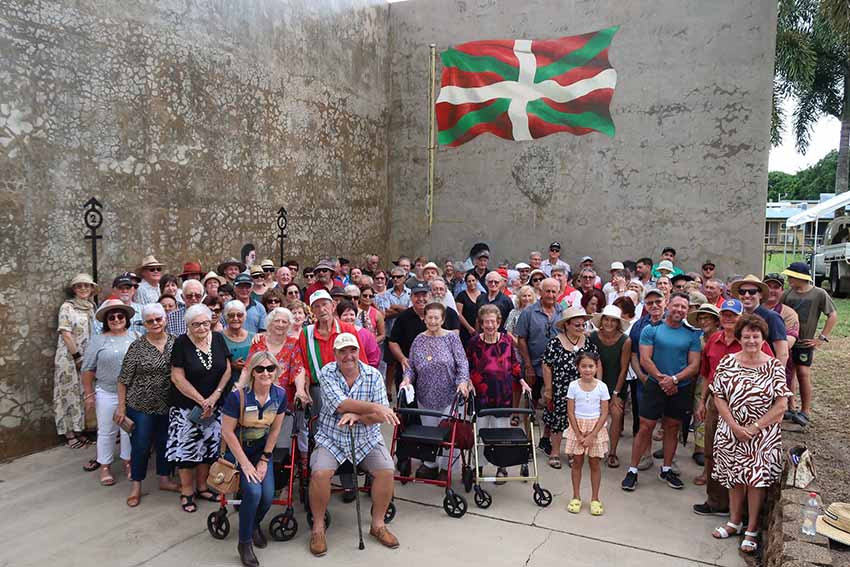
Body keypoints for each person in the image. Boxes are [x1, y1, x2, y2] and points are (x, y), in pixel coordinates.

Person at [308, 333, 401, 556]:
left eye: (352, 350)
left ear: (359, 351)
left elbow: (380, 418)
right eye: (342, 351)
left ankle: (378, 525)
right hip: (332, 437)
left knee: (387, 470)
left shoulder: (374, 375)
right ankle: (318, 528)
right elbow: (340, 405)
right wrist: (375, 408)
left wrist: (359, 416)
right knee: (320, 473)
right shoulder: (327, 372)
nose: (348, 356)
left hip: (367, 436)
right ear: (335, 354)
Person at [709, 314, 791, 555]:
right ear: (740, 337)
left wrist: (754, 428)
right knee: (734, 477)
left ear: (763, 338)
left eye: (756, 336)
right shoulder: (727, 361)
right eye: (746, 336)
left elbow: (781, 405)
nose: (751, 340)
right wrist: (734, 426)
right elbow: (718, 396)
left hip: (762, 436)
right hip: (731, 431)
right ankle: (734, 521)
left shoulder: (774, 365)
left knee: (755, 481)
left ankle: (752, 528)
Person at [692, 299, 773, 517]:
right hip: (716, 403)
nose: (728, 318)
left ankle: (742, 512)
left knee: (742, 457)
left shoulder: (753, 341)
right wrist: (702, 401)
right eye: (724, 314)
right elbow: (708, 373)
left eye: (732, 315)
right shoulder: (714, 340)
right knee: (712, 453)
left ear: (740, 318)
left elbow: (771, 374)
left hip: (746, 407)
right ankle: (716, 502)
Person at [622, 292, 701, 492]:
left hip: (679, 387)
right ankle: (632, 470)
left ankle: (666, 469)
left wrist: (674, 380)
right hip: (655, 386)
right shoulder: (651, 330)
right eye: (676, 305)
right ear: (668, 306)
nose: (679, 310)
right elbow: (645, 360)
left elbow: (694, 365)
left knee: (672, 427)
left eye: (683, 307)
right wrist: (662, 379)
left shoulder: (692, 334)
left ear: (687, 310)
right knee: (646, 427)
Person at [221, 352, 287, 567]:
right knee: (253, 491)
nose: (265, 372)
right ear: (252, 372)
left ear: (276, 371)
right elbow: (227, 432)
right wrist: (246, 464)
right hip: (238, 450)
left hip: (261, 451)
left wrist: (264, 460)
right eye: (260, 368)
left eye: (270, 368)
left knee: (267, 496)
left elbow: (276, 429)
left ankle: (252, 524)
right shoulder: (237, 396)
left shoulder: (280, 394)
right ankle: (245, 542)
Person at [166, 304, 233, 513]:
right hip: (187, 408)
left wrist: (214, 397)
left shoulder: (219, 338)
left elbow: (228, 369)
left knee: (208, 448)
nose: (202, 328)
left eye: (205, 323)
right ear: (188, 325)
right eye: (196, 324)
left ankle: (203, 487)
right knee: (187, 452)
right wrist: (201, 400)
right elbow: (177, 377)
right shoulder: (181, 343)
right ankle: (187, 492)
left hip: (214, 405)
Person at [118, 303, 181, 506]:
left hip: (168, 404)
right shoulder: (137, 347)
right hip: (141, 405)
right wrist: (121, 408)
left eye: (158, 319)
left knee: (165, 442)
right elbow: (123, 379)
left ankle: (164, 478)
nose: (155, 323)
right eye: (150, 320)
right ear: (144, 323)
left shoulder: (176, 342)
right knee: (141, 445)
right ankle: (136, 485)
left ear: (165, 319)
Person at [399, 302, 471, 479]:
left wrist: (462, 382)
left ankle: (447, 468)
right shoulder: (419, 340)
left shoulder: (451, 338)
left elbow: (462, 363)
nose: (432, 321)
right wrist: (406, 379)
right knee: (429, 431)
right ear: (424, 319)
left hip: (450, 394)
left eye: (436, 317)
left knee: (448, 432)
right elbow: (411, 367)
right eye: (429, 317)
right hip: (426, 393)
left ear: (443, 319)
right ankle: (430, 464)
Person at [466, 305, 528, 479]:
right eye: (486, 322)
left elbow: (514, 364)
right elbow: (467, 365)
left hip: (503, 394)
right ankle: (478, 466)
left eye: (493, 321)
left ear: (499, 322)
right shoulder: (474, 342)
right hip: (481, 395)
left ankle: (502, 466)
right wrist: (468, 381)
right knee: (481, 431)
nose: (490, 325)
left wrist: (522, 380)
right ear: (481, 323)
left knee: (501, 432)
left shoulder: (506, 341)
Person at [80, 298, 136, 485]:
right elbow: (87, 368)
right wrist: (88, 394)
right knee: (106, 430)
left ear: (126, 318)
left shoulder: (135, 336)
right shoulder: (98, 340)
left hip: (132, 392)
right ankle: (105, 465)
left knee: (129, 430)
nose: (116, 319)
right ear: (106, 320)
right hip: (107, 391)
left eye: (120, 316)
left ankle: (129, 462)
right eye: (111, 317)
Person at [780, 262, 838, 427]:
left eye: (791, 276)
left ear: (800, 277)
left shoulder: (819, 293)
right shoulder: (787, 294)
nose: (789, 279)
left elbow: (832, 315)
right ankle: (790, 407)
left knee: (803, 374)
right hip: (788, 341)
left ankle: (806, 411)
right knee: (788, 373)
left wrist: (821, 338)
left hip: (805, 342)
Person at [542, 306, 597, 470]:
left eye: (583, 325)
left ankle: (573, 452)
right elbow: (546, 365)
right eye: (577, 325)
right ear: (567, 325)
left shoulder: (588, 342)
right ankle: (555, 452)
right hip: (560, 388)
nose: (581, 328)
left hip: (582, 389)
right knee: (558, 420)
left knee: (577, 421)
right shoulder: (555, 342)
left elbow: (596, 362)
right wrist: (548, 390)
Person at [515, 278, 563, 453]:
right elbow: (521, 339)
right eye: (547, 291)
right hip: (534, 365)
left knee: (552, 404)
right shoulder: (528, 312)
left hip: (556, 367)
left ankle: (545, 438)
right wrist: (527, 365)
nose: (550, 295)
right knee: (530, 403)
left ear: (558, 292)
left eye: (554, 291)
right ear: (540, 292)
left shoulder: (563, 312)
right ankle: (527, 440)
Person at [55, 274, 98, 449]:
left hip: (87, 357)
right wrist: (77, 356)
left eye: (86, 286)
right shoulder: (67, 307)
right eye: (79, 286)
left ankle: (80, 429)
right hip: (69, 356)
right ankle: (69, 433)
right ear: (74, 289)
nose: (83, 289)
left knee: (83, 393)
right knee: (68, 393)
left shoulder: (91, 307)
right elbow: (66, 333)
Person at [564, 351, 610, 516]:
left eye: (591, 366)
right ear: (578, 368)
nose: (587, 370)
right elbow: (570, 412)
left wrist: (591, 435)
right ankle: (576, 497)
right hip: (577, 428)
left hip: (595, 430)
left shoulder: (602, 387)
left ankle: (595, 499)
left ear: (596, 368)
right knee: (576, 463)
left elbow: (604, 413)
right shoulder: (573, 386)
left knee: (595, 464)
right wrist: (578, 435)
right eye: (583, 366)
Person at [588, 305, 631, 469]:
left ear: (618, 323)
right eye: (606, 319)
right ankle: (593, 448)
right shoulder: (593, 337)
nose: (609, 323)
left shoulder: (625, 340)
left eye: (613, 320)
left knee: (616, 414)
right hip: (595, 382)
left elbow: (624, 369)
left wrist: (615, 393)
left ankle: (612, 452)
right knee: (592, 415)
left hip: (616, 383)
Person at [246, 308, 306, 410]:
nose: (280, 324)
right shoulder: (259, 341)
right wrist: (239, 388)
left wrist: (300, 390)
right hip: (258, 397)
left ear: (289, 325)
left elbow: (298, 369)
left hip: (284, 400)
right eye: (277, 321)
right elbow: (248, 368)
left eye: (284, 322)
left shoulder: (293, 343)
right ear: (270, 323)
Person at [686, 303, 721, 476]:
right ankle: (699, 448)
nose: (703, 321)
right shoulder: (698, 338)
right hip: (700, 378)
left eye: (707, 318)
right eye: (700, 318)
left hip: (719, 382)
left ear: (716, 321)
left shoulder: (722, 338)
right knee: (700, 414)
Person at [730, 275, 788, 367]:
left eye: (752, 292)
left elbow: (782, 353)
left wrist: (776, 377)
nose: (746, 295)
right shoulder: (736, 317)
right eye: (742, 292)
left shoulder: (772, 317)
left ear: (760, 295)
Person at [337, 300, 381, 367]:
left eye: (352, 314)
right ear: (339, 317)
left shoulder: (366, 334)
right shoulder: (336, 333)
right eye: (345, 315)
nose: (349, 318)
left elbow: (373, 356)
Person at [222, 300, 255, 377]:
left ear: (245, 316)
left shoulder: (254, 337)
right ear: (226, 317)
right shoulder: (218, 338)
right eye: (231, 315)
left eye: (239, 315)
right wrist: (231, 365)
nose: (235, 318)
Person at [456, 271, 483, 345]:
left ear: (477, 281)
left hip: (481, 331)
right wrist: (469, 328)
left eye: (473, 280)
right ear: (466, 283)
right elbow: (459, 313)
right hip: (465, 331)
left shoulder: (483, 295)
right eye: (469, 281)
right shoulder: (461, 295)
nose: (471, 283)